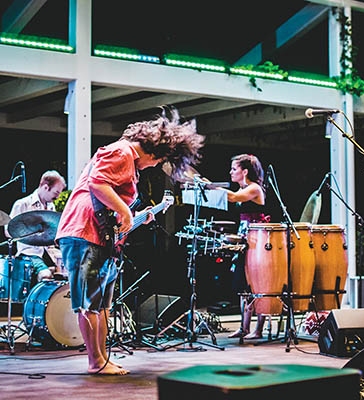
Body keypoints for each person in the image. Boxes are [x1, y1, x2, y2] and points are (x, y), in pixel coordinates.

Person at [55, 107, 204, 375]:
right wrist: (124, 211)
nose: (156, 166)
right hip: (83, 233)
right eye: (159, 161)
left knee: (101, 305)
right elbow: (97, 183)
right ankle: (96, 361)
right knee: (90, 303)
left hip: (97, 235)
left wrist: (132, 216)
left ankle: (101, 358)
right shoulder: (123, 151)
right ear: (154, 151)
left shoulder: (126, 158)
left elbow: (109, 200)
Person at [217, 154, 270, 340]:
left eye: (234, 169)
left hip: (258, 241)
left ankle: (258, 330)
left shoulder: (254, 188)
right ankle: (244, 327)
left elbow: (231, 197)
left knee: (258, 284)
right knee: (243, 285)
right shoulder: (244, 188)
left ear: (245, 171)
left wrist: (211, 186)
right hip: (245, 239)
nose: (231, 172)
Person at [5, 170, 67, 283]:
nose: (58, 197)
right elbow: (8, 231)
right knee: (45, 274)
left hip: (48, 253)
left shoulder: (51, 206)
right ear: (45, 187)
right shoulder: (22, 204)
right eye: (56, 192)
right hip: (29, 254)